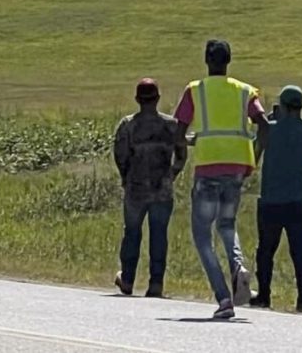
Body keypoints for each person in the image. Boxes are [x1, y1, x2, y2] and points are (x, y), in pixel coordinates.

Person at [175, 39, 270, 320]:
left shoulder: (196, 90)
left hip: (207, 167)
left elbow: (178, 132)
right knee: (227, 225)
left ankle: (224, 297)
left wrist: (193, 141)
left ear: (206, 60)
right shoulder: (244, 91)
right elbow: (264, 125)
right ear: (229, 61)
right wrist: (254, 155)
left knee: (203, 236)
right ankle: (238, 266)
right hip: (237, 167)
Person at [112, 78, 187, 298]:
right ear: (158, 99)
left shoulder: (127, 125)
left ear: (137, 99)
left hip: (135, 189)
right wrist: (171, 174)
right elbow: (182, 155)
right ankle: (156, 283)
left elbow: (120, 156)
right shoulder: (171, 125)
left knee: (132, 233)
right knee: (159, 234)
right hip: (162, 189)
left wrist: (126, 176)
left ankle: (127, 279)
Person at [250, 86, 302, 312]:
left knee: (266, 251)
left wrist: (270, 124)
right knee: (300, 252)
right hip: (299, 200)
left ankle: (264, 295)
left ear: (282, 105)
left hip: (272, 199)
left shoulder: (269, 130)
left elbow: (254, 156)